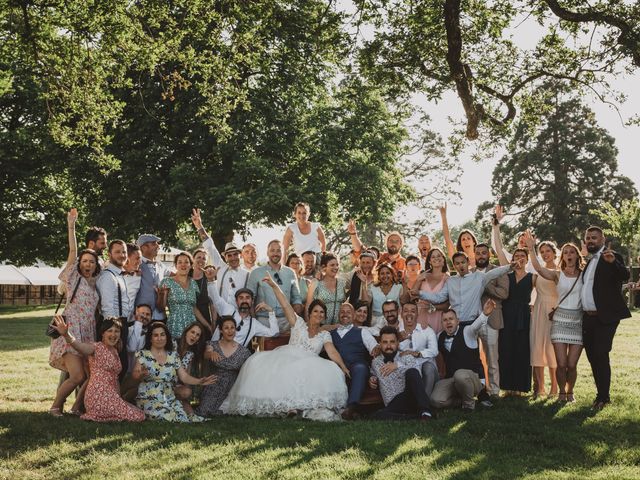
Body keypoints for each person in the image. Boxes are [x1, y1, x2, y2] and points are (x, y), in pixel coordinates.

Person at [223, 274, 349, 421]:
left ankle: (296, 408)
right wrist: (273, 285)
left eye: (322, 312)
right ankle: (290, 408)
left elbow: (332, 351)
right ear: (309, 313)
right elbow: (284, 304)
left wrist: (343, 366)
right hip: (287, 356)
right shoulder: (298, 323)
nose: (318, 314)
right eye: (315, 311)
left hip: (310, 363)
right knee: (259, 363)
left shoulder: (325, 334)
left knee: (325, 369)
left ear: (324, 316)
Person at [49, 209, 101, 417]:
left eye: (92, 261)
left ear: (97, 265)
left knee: (91, 375)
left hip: (88, 332)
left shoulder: (96, 283)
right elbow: (72, 251)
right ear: (80, 263)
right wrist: (71, 225)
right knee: (78, 375)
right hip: (69, 329)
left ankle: (76, 407)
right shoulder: (73, 277)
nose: (88, 264)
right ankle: (55, 405)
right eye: (85, 261)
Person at [525, 233, 585, 403]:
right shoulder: (558, 274)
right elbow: (538, 269)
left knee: (572, 365)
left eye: (572, 252)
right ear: (563, 256)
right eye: (566, 252)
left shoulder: (583, 274)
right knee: (561, 363)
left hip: (577, 322)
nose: (568, 255)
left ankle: (570, 391)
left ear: (576, 255)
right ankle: (561, 394)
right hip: (559, 321)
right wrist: (531, 248)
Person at [50, 315, 145, 422]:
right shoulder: (96, 347)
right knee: (138, 416)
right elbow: (79, 346)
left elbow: (115, 378)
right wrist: (67, 335)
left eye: (117, 331)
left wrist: (118, 398)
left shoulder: (115, 350)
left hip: (110, 395)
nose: (113, 334)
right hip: (98, 395)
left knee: (138, 412)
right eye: (110, 331)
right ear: (103, 333)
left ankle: (110, 412)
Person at [580, 226, 631, 410]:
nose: (591, 240)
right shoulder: (588, 261)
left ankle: (603, 397)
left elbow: (625, 275)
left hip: (605, 317)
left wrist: (613, 263)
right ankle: (601, 393)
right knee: (592, 356)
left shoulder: (611, 256)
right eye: (588, 238)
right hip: (588, 318)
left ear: (602, 239)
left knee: (601, 354)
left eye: (594, 238)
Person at [132, 322, 216, 422]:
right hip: (149, 396)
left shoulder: (173, 355)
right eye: (156, 335)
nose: (160, 338)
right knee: (165, 416)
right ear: (150, 338)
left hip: (168, 395)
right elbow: (135, 374)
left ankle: (185, 413)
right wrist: (140, 374)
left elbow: (184, 376)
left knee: (181, 416)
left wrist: (199, 381)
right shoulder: (142, 354)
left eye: (162, 335)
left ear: (166, 337)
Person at [430, 300, 497, 411]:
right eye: (445, 320)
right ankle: (460, 401)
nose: (448, 322)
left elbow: (476, 326)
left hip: (473, 379)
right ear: (442, 324)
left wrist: (485, 314)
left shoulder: (467, 332)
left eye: (451, 319)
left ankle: (469, 405)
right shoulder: (439, 337)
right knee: (435, 400)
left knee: (460, 374)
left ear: (458, 321)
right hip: (452, 379)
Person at [415, 252, 511, 324]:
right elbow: (439, 297)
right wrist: (420, 293)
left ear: (468, 262)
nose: (460, 265)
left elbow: (493, 273)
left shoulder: (478, 277)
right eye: (457, 263)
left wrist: (510, 267)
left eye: (463, 262)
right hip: (455, 323)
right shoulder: (450, 281)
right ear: (454, 265)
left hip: (473, 323)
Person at [369, 326, 433, 420]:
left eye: (392, 342)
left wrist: (397, 365)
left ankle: (425, 411)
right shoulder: (375, 362)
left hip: (409, 398)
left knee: (412, 371)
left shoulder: (406, 356)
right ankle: (415, 417)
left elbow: (417, 374)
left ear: (398, 343)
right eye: (385, 342)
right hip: (392, 403)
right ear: (380, 344)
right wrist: (371, 378)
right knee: (377, 415)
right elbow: (373, 373)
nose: (389, 346)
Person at [329, 303, 378, 420]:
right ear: (338, 315)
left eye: (348, 312)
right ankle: (351, 411)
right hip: (337, 367)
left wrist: (377, 348)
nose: (345, 314)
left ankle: (351, 407)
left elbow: (374, 347)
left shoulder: (361, 331)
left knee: (360, 369)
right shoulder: (330, 333)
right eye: (342, 312)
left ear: (353, 315)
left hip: (357, 365)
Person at [207, 269, 279, 347]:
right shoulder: (228, 310)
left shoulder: (253, 324)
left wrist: (271, 312)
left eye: (247, 298)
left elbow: (274, 333)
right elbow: (216, 299)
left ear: (252, 301)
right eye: (241, 298)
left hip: (236, 357)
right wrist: (211, 280)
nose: (244, 300)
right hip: (215, 352)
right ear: (236, 301)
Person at [191, 208, 249, 305]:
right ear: (225, 258)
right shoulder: (221, 267)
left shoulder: (247, 275)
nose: (233, 258)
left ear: (241, 256)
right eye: (229, 255)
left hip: (239, 316)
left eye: (235, 254)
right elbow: (209, 245)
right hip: (220, 316)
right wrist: (199, 226)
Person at [474, 243, 509, 399]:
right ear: (474, 255)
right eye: (478, 253)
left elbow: (504, 293)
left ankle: (494, 391)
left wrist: (487, 286)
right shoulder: (470, 273)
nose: (481, 256)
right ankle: (477, 389)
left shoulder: (498, 271)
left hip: (492, 319)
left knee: (492, 357)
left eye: (483, 253)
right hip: (473, 320)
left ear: (489, 255)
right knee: (473, 357)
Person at [197, 316, 252, 417]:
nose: (230, 331)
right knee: (205, 410)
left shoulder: (244, 351)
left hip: (233, 386)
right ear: (221, 330)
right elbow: (206, 353)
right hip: (215, 383)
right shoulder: (212, 345)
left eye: (232, 328)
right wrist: (211, 353)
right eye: (226, 328)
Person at [525, 237, 560, 398]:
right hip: (538, 309)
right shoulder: (537, 272)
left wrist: (530, 249)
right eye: (542, 252)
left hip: (553, 310)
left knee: (551, 349)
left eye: (548, 251)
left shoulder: (559, 271)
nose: (545, 254)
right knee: (537, 347)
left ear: (554, 253)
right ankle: (540, 388)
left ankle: (554, 387)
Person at [498, 249, 535, 395]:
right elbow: (500, 252)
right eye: (516, 256)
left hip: (524, 316)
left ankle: (521, 388)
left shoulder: (533, 277)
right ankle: (507, 387)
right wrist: (496, 229)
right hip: (507, 314)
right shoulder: (506, 276)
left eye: (522, 256)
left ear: (527, 259)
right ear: (512, 259)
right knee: (506, 349)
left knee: (522, 350)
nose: (519, 258)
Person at [246, 239, 303, 332]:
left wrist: (295, 318)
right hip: (264, 320)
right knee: (265, 347)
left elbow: (296, 298)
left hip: (286, 320)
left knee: (286, 346)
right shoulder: (256, 273)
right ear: (267, 253)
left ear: (283, 253)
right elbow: (250, 299)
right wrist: (254, 321)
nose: (275, 253)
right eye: (272, 250)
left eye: (278, 250)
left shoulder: (290, 273)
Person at [157, 252, 212, 340]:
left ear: (190, 265)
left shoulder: (193, 283)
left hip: (192, 328)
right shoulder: (167, 282)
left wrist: (208, 325)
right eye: (180, 262)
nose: (183, 265)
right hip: (174, 326)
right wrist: (161, 295)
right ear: (175, 265)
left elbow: (193, 308)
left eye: (186, 262)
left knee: (191, 353)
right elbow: (160, 308)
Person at [96, 239, 130, 376]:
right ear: (109, 254)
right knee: (115, 367)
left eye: (124, 252)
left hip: (122, 323)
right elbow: (107, 308)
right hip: (114, 324)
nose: (122, 255)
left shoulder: (119, 275)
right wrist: (114, 333)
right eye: (117, 252)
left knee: (121, 366)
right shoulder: (107, 276)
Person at [398, 302, 439, 404]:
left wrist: (418, 353)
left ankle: (424, 404)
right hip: (407, 369)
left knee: (428, 367)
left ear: (417, 314)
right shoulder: (397, 332)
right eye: (406, 311)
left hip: (428, 373)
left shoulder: (426, 330)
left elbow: (434, 350)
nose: (409, 314)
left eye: (413, 311)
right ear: (401, 314)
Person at [412, 247, 449, 334]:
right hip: (421, 315)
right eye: (433, 257)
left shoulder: (448, 279)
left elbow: (447, 304)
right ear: (429, 261)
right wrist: (418, 280)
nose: (436, 258)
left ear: (443, 259)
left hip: (438, 317)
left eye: (439, 256)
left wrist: (432, 307)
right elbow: (412, 294)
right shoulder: (424, 276)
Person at [135, 233, 171, 321]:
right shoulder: (135, 264)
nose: (158, 246)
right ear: (144, 247)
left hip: (160, 316)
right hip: (142, 317)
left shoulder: (161, 265)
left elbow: (178, 275)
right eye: (154, 243)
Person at [305, 252, 348, 325]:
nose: (335, 267)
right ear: (324, 267)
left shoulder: (342, 283)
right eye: (332, 265)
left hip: (338, 326)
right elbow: (308, 306)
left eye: (337, 265)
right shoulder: (316, 282)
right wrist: (309, 325)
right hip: (320, 326)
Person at [121, 303, 152, 402]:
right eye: (142, 313)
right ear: (135, 314)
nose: (144, 316)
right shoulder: (128, 330)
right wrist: (138, 323)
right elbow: (132, 347)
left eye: (148, 314)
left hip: (141, 376)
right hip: (125, 375)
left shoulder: (151, 334)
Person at [174, 322, 207, 414]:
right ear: (186, 332)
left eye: (197, 335)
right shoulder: (173, 344)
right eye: (192, 332)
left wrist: (186, 398)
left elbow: (186, 379)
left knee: (191, 412)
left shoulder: (190, 354)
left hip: (175, 386)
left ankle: (177, 402)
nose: (194, 336)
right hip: (163, 381)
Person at [363, 263, 403, 330]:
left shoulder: (399, 287)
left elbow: (404, 301)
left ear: (392, 274)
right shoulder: (373, 287)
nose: (385, 276)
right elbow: (366, 302)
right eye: (382, 273)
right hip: (376, 321)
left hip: (394, 320)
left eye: (388, 273)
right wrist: (364, 284)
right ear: (378, 276)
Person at [439, 203, 478, 268]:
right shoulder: (457, 259)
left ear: (473, 242)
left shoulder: (481, 258)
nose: (466, 241)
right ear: (461, 244)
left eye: (468, 238)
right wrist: (443, 216)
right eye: (463, 239)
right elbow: (447, 239)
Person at [191, 247, 212, 325]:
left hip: (205, 318)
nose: (201, 260)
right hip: (187, 318)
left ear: (206, 262)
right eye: (198, 257)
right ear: (193, 259)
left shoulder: (209, 278)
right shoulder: (186, 275)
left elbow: (212, 304)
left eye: (204, 258)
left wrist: (213, 323)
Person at [122, 243, 142, 321]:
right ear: (126, 258)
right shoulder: (112, 275)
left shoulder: (138, 276)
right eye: (137, 258)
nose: (140, 262)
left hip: (131, 321)